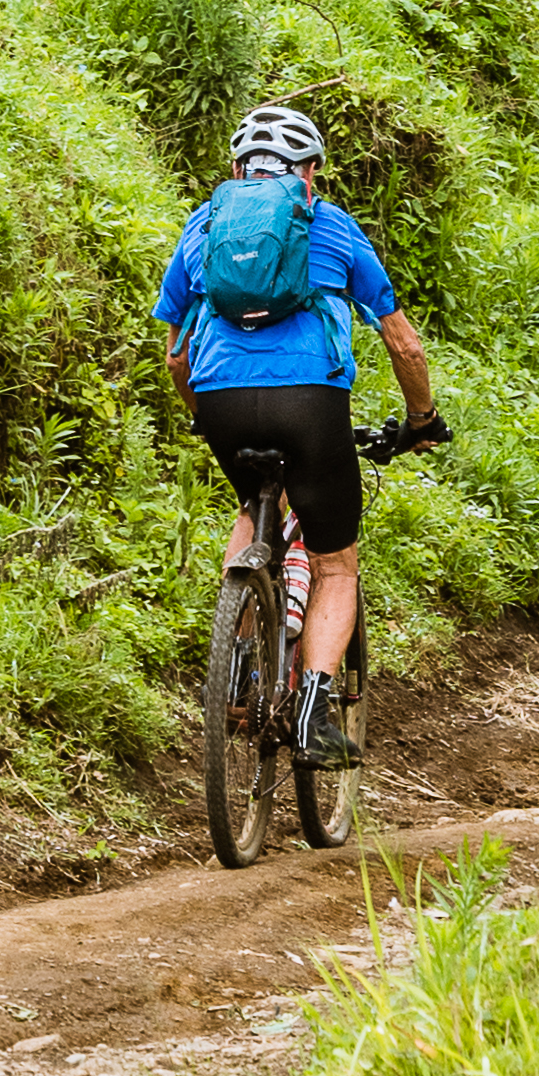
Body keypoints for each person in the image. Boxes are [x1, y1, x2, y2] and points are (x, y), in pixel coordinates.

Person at [154, 104, 441, 767]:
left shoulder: (204, 227)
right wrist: (422, 419)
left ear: (236, 170)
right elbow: (402, 341)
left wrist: (206, 414)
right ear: (311, 173)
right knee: (336, 561)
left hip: (222, 398)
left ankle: (234, 666)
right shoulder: (331, 225)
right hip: (311, 402)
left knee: (251, 505)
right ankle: (312, 713)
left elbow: (174, 356)